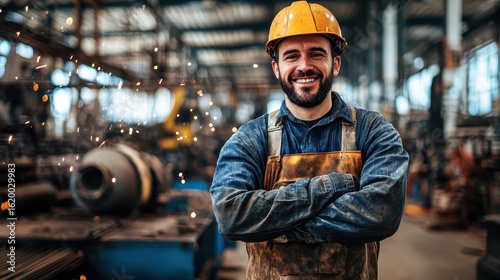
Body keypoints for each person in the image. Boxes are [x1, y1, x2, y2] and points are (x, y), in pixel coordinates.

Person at [209, 1, 409, 279]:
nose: (304, 66)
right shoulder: (250, 139)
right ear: (276, 68)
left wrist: (276, 224)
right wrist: (333, 186)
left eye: (316, 54)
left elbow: (381, 214)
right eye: (291, 56)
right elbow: (231, 216)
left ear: (335, 63)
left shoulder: (373, 131)